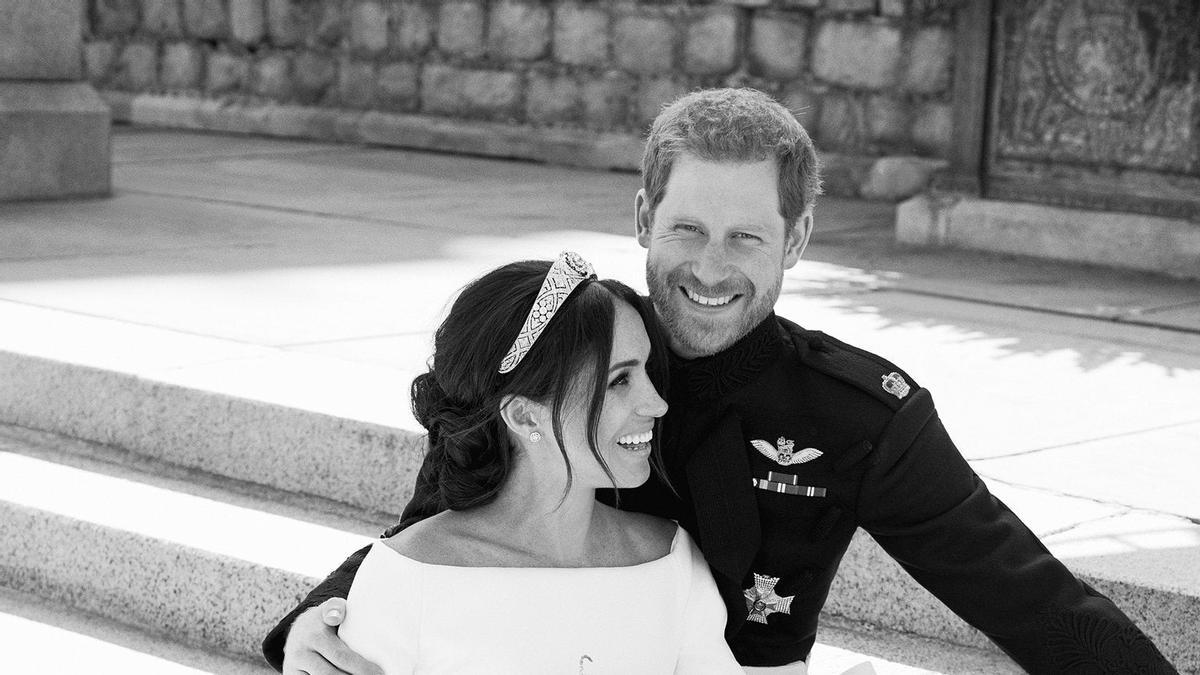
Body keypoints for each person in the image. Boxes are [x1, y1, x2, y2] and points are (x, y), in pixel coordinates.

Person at [263, 89, 1177, 674]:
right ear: (642, 218)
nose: (710, 266)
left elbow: (1033, 601)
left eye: (746, 236)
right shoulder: (561, 363)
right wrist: (309, 620)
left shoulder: (858, 414)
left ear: (799, 239)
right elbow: (452, 517)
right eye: (688, 229)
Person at [331, 252, 744, 673]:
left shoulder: (670, 562)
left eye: (646, 371)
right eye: (620, 380)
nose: (657, 403)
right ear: (525, 415)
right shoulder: (407, 577)